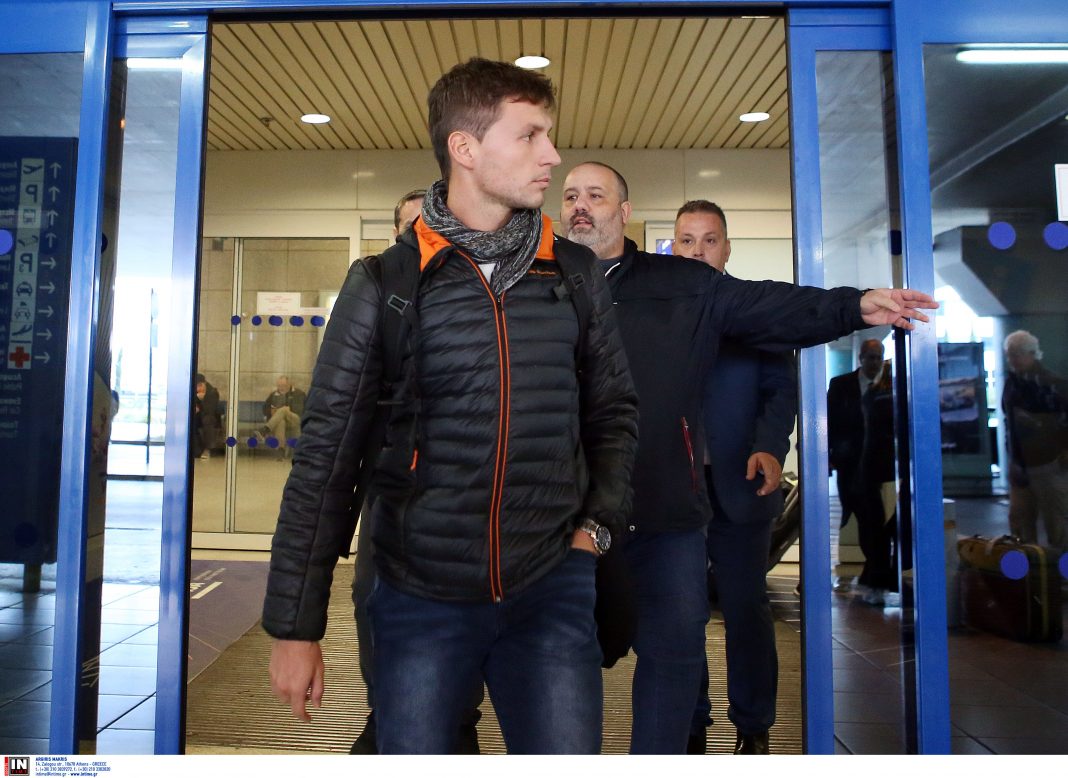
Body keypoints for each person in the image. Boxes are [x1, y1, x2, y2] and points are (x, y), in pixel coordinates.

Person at [263, 58, 639, 755]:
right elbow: (325, 458)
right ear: (465, 147)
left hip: (550, 589)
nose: (552, 156)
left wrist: (596, 529)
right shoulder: (386, 283)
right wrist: (295, 625)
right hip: (418, 598)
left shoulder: (575, 274)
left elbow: (613, 412)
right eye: (530, 135)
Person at [560, 160, 936, 754]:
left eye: (596, 195)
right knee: (563, 658)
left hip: (666, 514)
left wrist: (856, 305)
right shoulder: (541, 286)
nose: (581, 206)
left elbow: (772, 305)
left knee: (675, 651)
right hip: (572, 516)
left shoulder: (682, 284)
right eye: (570, 196)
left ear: (624, 211)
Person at [348, 187, 485, 755]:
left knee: (464, 608)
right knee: (371, 596)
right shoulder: (377, 297)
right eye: (410, 228)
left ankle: (460, 718)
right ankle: (386, 710)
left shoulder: (476, 300)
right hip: (390, 489)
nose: (420, 239)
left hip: (462, 493)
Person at [673, 200, 797, 755]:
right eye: (687, 241)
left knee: (745, 610)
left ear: (727, 248)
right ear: (673, 250)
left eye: (709, 240)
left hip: (742, 486)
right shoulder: (658, 316)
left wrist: (769, 447)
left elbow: (780, 391)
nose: (698, 251)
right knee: (682, 613)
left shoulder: (754, 311)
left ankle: (754, 726)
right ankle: (690, 723)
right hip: (674, 491)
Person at [827, 339, 897, 604]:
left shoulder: (890, 388)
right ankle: (875, 575)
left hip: (880, 466)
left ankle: (876, 575)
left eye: (878, 357)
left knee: (875, 522)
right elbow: (830, 421)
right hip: (850, 465)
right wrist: (828, 456)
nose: (874, 363)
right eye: (870, 357)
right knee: (864, 518)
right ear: (860, 358)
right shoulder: (841, 385)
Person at [1002, 330, 1068, 552]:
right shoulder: (1012, 384)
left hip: (1050, 463)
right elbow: (1009, 422)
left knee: (1057, 526)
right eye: (1010, 355)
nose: (1013, 359)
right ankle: (1029, 571)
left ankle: (1060, 571)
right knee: (1020, 526)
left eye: (1017, 354)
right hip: (1022, 465)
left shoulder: (1053, 384)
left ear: (1032, 354)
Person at [192, 373, 221, 460]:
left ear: (205, 383)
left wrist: (202, 400)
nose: (199, 388)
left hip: (211, 418)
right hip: (198, 417)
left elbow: (210, 409)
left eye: (200, 385)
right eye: (197, 386)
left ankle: (207, 449)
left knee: (208, 420)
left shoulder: (212, 393)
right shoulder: (194, 392)